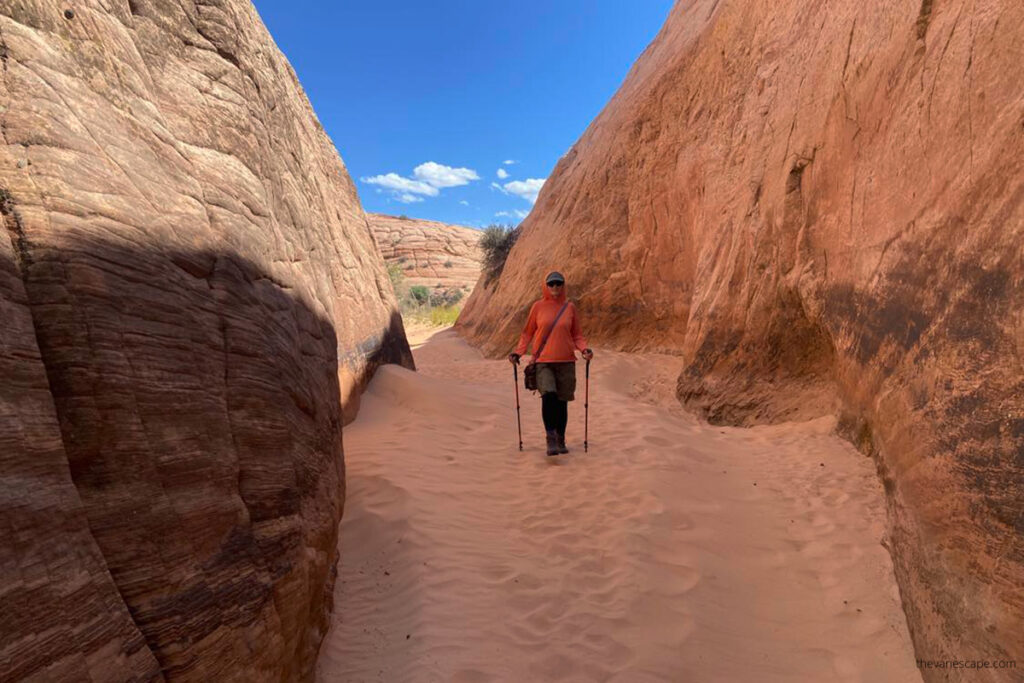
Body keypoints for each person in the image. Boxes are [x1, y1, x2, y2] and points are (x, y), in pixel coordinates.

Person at [508, 271, 594, 456]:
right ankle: (551, 439)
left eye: (558, 283)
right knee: (549, 396)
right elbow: (527, 333)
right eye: (551, 284)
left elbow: (577, 334)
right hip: (543, 362)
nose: (555, 287)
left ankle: (561, 439)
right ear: (545, 286)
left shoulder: (570, 308)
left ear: (563, 285)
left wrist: (584, 350)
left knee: (562, 402)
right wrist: (519, 352)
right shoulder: (538, 307)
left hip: (566, 362)